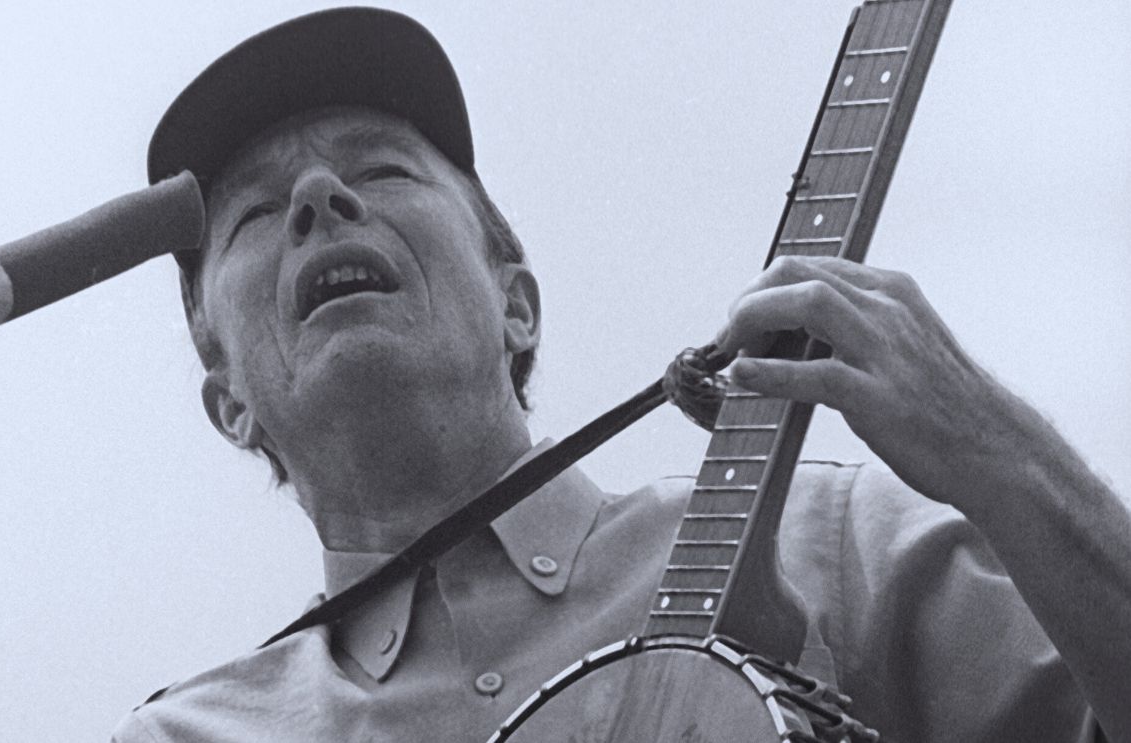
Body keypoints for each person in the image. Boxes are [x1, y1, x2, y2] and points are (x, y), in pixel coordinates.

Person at [111, 8, 1130, 743]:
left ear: (516, 305)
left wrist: (1006, 457)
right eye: (254, 212)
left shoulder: (833, 537)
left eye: (381, 167)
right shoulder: (187, 734)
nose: (318, 197)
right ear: (228, 402)